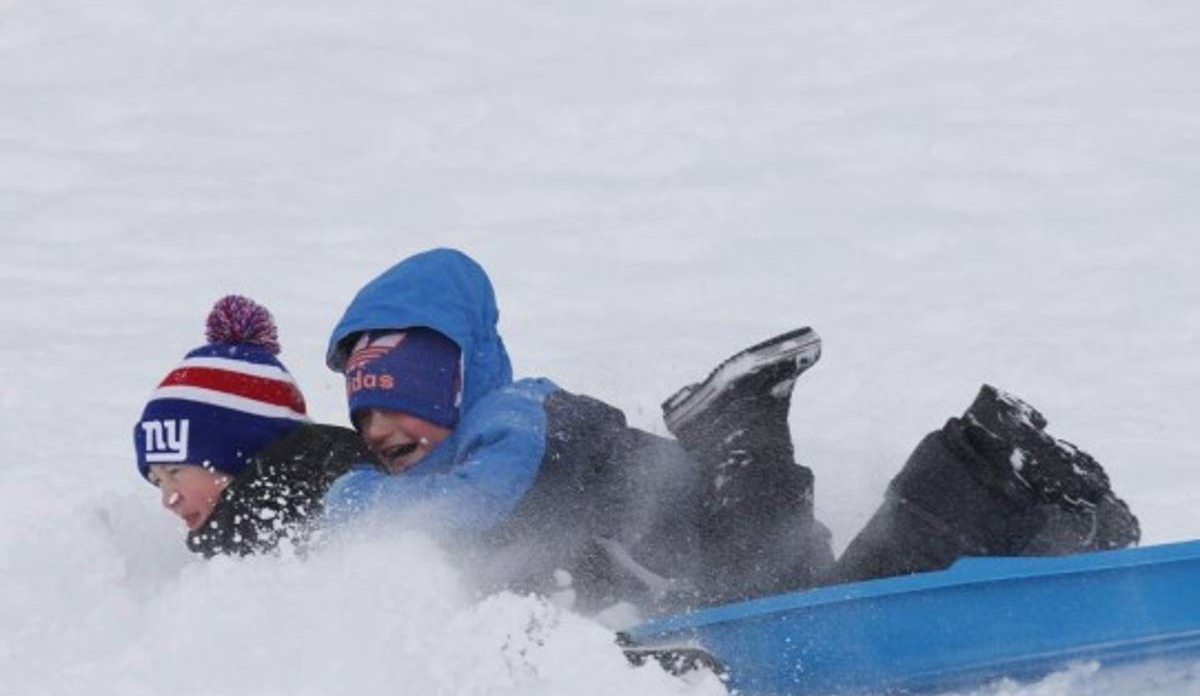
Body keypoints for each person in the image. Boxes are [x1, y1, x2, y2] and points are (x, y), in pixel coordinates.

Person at [321, 248, 1140, 614]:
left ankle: (993, 468)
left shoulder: (506, 424)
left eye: (401, 400)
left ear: (458, 382)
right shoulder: (460, 459)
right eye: (365, 415)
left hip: (708, 549)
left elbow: (478, 505)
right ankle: (1013, 491)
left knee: (817, 615)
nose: (383, 427)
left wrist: (353, 512)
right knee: (851, 600)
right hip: (705, 559)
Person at [133, 295, 371, 556]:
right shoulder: (248, 529)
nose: (168, 500)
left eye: (175, 471)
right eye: (158, 481)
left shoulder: (331, 511)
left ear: (240, 454)